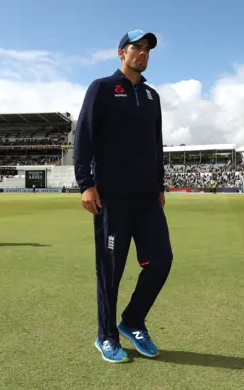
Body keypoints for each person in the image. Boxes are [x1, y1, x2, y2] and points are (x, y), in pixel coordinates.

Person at [74, 29, 173, 364]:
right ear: (121, 53)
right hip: (112, 197)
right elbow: (83, 136)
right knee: (111, 271)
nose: (142, 53)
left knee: (161, 261)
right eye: (136, 47)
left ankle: (131, 320)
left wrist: (159, 185)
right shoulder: (101, 88)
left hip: (147, 197)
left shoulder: (151, 96)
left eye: (147, 49)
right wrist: (86, 183)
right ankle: (106, 336)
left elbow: (156, 143)